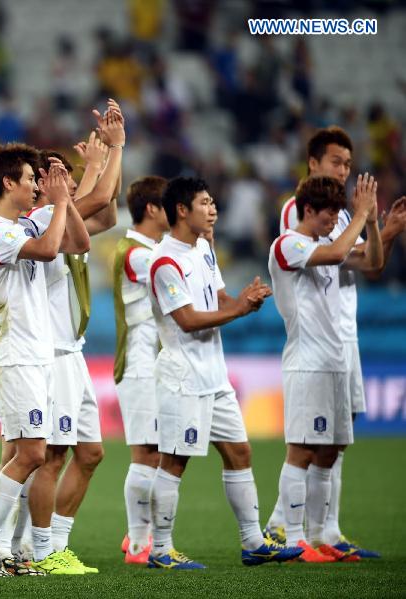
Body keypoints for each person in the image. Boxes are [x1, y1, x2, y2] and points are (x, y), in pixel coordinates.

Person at [146, 177, 300, 569]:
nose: (213, 209)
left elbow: (219, 299)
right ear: (182, 210)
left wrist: (245, 299)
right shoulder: (165, 261)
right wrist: (240, 309)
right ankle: (161, 550)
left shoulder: (203, 249)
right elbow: (187, 319)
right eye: (205, 202)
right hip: (183, 376)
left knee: (239, 452)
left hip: (214, 374)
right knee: (175, 462)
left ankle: (253, 543)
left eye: (213, 202)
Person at [268, 127, 406, 559]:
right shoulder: (298, 212)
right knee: (307, 443)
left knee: (334, 442)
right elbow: (325, 253)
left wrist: (385, 228)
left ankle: (326, 531)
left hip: (343, 339)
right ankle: (286, 528)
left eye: (348, 163)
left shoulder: (344, 216)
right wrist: (364, 219)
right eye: (335, 162)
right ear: (313, 163)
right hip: (313, 343)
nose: (344, 170)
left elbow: (370, 263)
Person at [0, 143, 88, 577]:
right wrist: (57, 203)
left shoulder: (18, 228)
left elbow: (79, 241)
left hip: (37, 357)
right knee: (33, 453)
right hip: (17, 355)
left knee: (26, 452)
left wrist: (65, 202)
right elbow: (50, 250)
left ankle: (1, 549)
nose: (37, 186)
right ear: (8, 183)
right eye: (30, 179)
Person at [15, 108, 124, 575]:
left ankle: (51, 543)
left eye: (67, 174)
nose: (66, 183)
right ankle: (38, 550)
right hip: (50, 354)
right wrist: (111, 151)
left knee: (91, 453)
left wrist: (98, 167)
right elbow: (99, 195)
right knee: (50, 456)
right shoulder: (42, 218)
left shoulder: (66, 221)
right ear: (40, 183)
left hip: (72, 353)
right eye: (56, 175)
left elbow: (109, 208)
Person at [112, 175, 170, 565]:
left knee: (155, 453)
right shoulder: (136, 253)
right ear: (152, 209)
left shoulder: (151, 249)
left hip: (154, 364)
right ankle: (137, 544)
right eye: (173, 204)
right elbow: (177, 272)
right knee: (145, 451)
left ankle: (139, 534)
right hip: (139, 364)